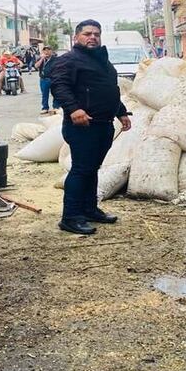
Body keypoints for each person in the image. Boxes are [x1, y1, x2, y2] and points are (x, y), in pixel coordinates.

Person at [50, 20, 131, 235]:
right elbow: (59, 85)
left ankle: (89, 209)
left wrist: (121, 112)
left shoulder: (102, 61)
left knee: (92, 169)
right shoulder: (69, 60)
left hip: (103, 124)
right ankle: (70, 217)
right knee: (81, 169)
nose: (93, 37)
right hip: (82, 125)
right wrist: (73, 109)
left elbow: (110, 90)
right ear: (76, 37)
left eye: (96, 33)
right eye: (87, 34)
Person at [35, 46, 61, 115]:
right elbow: (36, 66)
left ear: (51, 51)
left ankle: (56, 107)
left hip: (53, 79)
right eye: (45, 50)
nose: (46, 52)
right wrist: (42, 59)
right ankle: (45, 108)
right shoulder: (41, 59)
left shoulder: (55, 59)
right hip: (43, 79)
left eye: (48, 50)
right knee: (44, 94)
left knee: (55, 93)